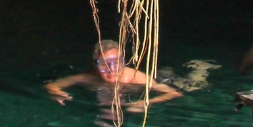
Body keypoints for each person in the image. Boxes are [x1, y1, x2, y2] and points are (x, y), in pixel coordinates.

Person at [45, 39, 182, 113]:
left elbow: (174, 93)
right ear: (94, 66)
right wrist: (56, 92)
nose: (112, 70)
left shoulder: (135, 77)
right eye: (104, 64)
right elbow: (51, 85)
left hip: (167, 77)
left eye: (116, 63)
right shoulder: (87, 78)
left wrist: (146, 102)